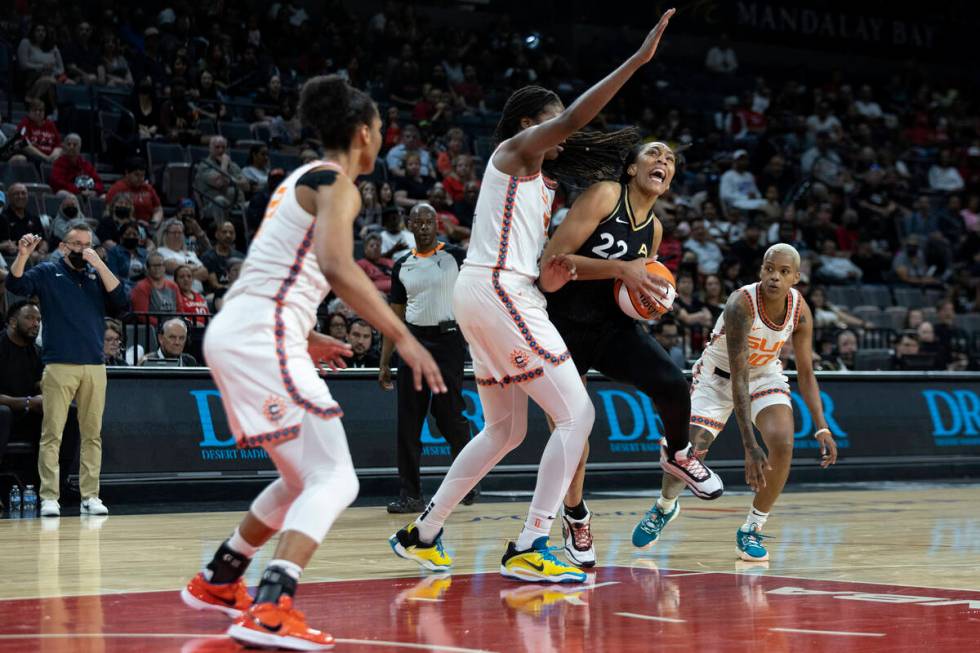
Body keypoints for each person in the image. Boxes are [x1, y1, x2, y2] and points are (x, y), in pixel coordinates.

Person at [390, 9, 677, 584]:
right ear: (527, 124)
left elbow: (546, 267)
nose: (564, 132)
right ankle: (530, 543)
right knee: (578, 413)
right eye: (552, 124)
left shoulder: (540, 183)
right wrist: (638, 61)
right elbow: (574, 115)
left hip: (491, 290)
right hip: (498, 289)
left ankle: (422, 533)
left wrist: (561, 273)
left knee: (506, 431)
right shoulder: (515, 151)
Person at [179, 75, 445, 650]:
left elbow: (278, 275)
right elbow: (336, 267)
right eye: (379, 130)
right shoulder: (339, 184)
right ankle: (271, 608)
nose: (381, 139)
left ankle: (221, 580)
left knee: (301, 477)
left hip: (247, 329)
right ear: (363, 133)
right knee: (335, 477)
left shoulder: (299, 180)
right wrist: (404, 336)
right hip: (260, 335)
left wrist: (308, 332)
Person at [541, 141, 722, 567]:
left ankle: (678, 452)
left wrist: (648, 299)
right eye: (654, 154)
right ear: (630, 169)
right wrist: (622, 269)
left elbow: (634, 284)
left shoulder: (654, 229)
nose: (664, 162)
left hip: (609, 327)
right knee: (574, 439)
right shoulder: (605, 195)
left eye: (671, 160)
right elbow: (552, 263)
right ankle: (575, 516)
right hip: (559, 325)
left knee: (672, 383)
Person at [631, 244, 839, 562]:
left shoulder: (800, 309)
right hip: (718, 378)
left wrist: (821, 427)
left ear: (796, 278)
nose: (774, 277)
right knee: (688, 452)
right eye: (769, 269)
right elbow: (738, 378)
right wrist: (749, 445)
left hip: (764, 375)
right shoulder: (741, 303)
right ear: (761, 270)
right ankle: (665, 506)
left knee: (783, 443)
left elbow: (807, 372)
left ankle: (752, 529)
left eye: (784, 272)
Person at [6, 224, 128, 518]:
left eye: (87, 244)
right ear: (63, 246)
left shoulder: (96, 274)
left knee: (92, 434)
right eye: (75, 244)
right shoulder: (49, 273)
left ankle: (91, 495)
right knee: (52, 434)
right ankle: (49, 496)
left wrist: (99, 263)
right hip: (59, 364)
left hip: (94, 366)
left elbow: (122, 303)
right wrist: (23, 255)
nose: (81, 249)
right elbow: (16, 285)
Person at [379, 204, 474, 513]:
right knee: (408, 422)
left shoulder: (457, 256)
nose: (422, 226)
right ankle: (411, 494)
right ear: (409, 225)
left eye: (428, 221)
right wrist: (385, 361)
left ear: (437, 224)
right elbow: (393, 318)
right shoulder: (401, 265)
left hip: (449, 342)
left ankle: (468, 482)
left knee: (449, 417)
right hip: (413, 343)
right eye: (416, 221)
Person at [194, 136, 250, 224]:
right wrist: (224, 165)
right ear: (210, 149)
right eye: (217, 147)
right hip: (212, 205)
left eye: (223, 147)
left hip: (237, 204)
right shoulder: (205, 165)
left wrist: (231, 180)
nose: (221, 150)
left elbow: (246, 186)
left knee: (257, 203)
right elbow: (219, 183)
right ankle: (222, 234)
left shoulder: (232, 165)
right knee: (219, 200)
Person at [106, 158, 164, 225]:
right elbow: (108, 210)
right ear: (127, 173)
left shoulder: (148, 188)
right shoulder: (117, 188)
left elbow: (158, 209)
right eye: (137, 175)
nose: (140, 179)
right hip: (125, 226)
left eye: (142, 175)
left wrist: (153, 223)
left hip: (148, 226)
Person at [50, 133, 104, 197]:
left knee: (103, 197)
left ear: (79, 147)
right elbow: (57, 183)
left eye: (75, 145)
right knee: (63, 193)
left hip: (86, 194)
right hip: (68, 195)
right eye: (69, 144)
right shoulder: (59, 163)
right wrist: (79, 190)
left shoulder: (85, 165)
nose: (71, 147)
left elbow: (99, 183)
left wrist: (93, 190)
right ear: (64, 147)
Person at [0, 184, 45, 256]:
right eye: (16, 194)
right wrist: (28, 254)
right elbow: (7, 245)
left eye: (23, 193)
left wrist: (41, 250)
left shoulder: (34, 218)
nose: (20, 196)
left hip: (36, 258)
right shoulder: (2, 218)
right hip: (13, 259)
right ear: (9, 197)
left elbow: (43, 241)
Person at [201, 222, 244, 291]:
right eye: (224, 232)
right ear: (216, 234)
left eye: (231, 233)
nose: (228, 235)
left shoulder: (240, 257)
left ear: (235, 236)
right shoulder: (208, 257)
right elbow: (215, 285)